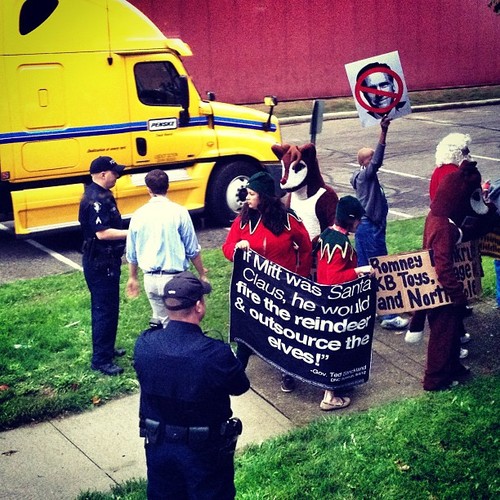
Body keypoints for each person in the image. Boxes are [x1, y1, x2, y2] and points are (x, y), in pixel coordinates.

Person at [134, 271, 250, 500]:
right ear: (198, 306)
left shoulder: (145, 344)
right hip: (204, 452)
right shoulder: (214, 353)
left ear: (169, 307)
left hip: (159, 448)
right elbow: (240, 386)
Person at [222, 170, 312, 392]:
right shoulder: (243, 220)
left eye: (252, 193)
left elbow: (306, 246)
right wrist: (237, 249)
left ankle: (287, 371)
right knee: (248, 326)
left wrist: (299, 276)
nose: (247, 197)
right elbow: (227, 247)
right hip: (254, 287)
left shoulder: (288, 218)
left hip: (284, 287)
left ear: (264, 195)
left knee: (285, 330)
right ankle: (238, 368)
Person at [405, 133, 473, 349]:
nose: (468, 155)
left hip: (434, 224)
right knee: (447, 276)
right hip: (449, 228)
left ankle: (453, 332)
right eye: (465, 151)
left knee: (434, 272)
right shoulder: (455, 174)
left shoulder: (437, 171)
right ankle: (453, 339)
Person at [126, 169, 208, 327]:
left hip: (149, 279)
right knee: (181, 324)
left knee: (163, 322)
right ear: (168, 186)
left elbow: (132, 253)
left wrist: (133, 277)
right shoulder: (179, 212)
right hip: (174, 278)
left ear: (148, 189)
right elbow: (192, 249)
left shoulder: (138, 215)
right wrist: (201, 272)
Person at [350, 116, 409, 331]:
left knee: (365, 271)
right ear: (365, 163)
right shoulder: (365, 176)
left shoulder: (365, 180)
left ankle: (363, 312)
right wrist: (383, 132)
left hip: (366, 229)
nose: (375, 161)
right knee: (380, 269)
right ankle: (389, 315)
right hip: (370, 229)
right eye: (371, 159)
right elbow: (378, 161)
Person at [314, 195, 372, 410]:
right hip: (334, 306)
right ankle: (329, 397)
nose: (359, 223)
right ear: (350, 220)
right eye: (357, 219)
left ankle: (337, 386)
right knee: (335, 347)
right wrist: (359, 271)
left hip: (323, 303)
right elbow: (333, 279)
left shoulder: (326, 235)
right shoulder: (341, 244)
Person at [78, 156, 128, 376]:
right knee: (104, 310)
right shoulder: (95, 199)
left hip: (106, 261)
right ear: (102, 174)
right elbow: (102, 233)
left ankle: (107, 348)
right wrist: (133, 232)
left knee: (110, 307)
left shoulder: (101, 194)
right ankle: (101, 360)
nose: (117, 175)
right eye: (114, 172)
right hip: (100, 262)